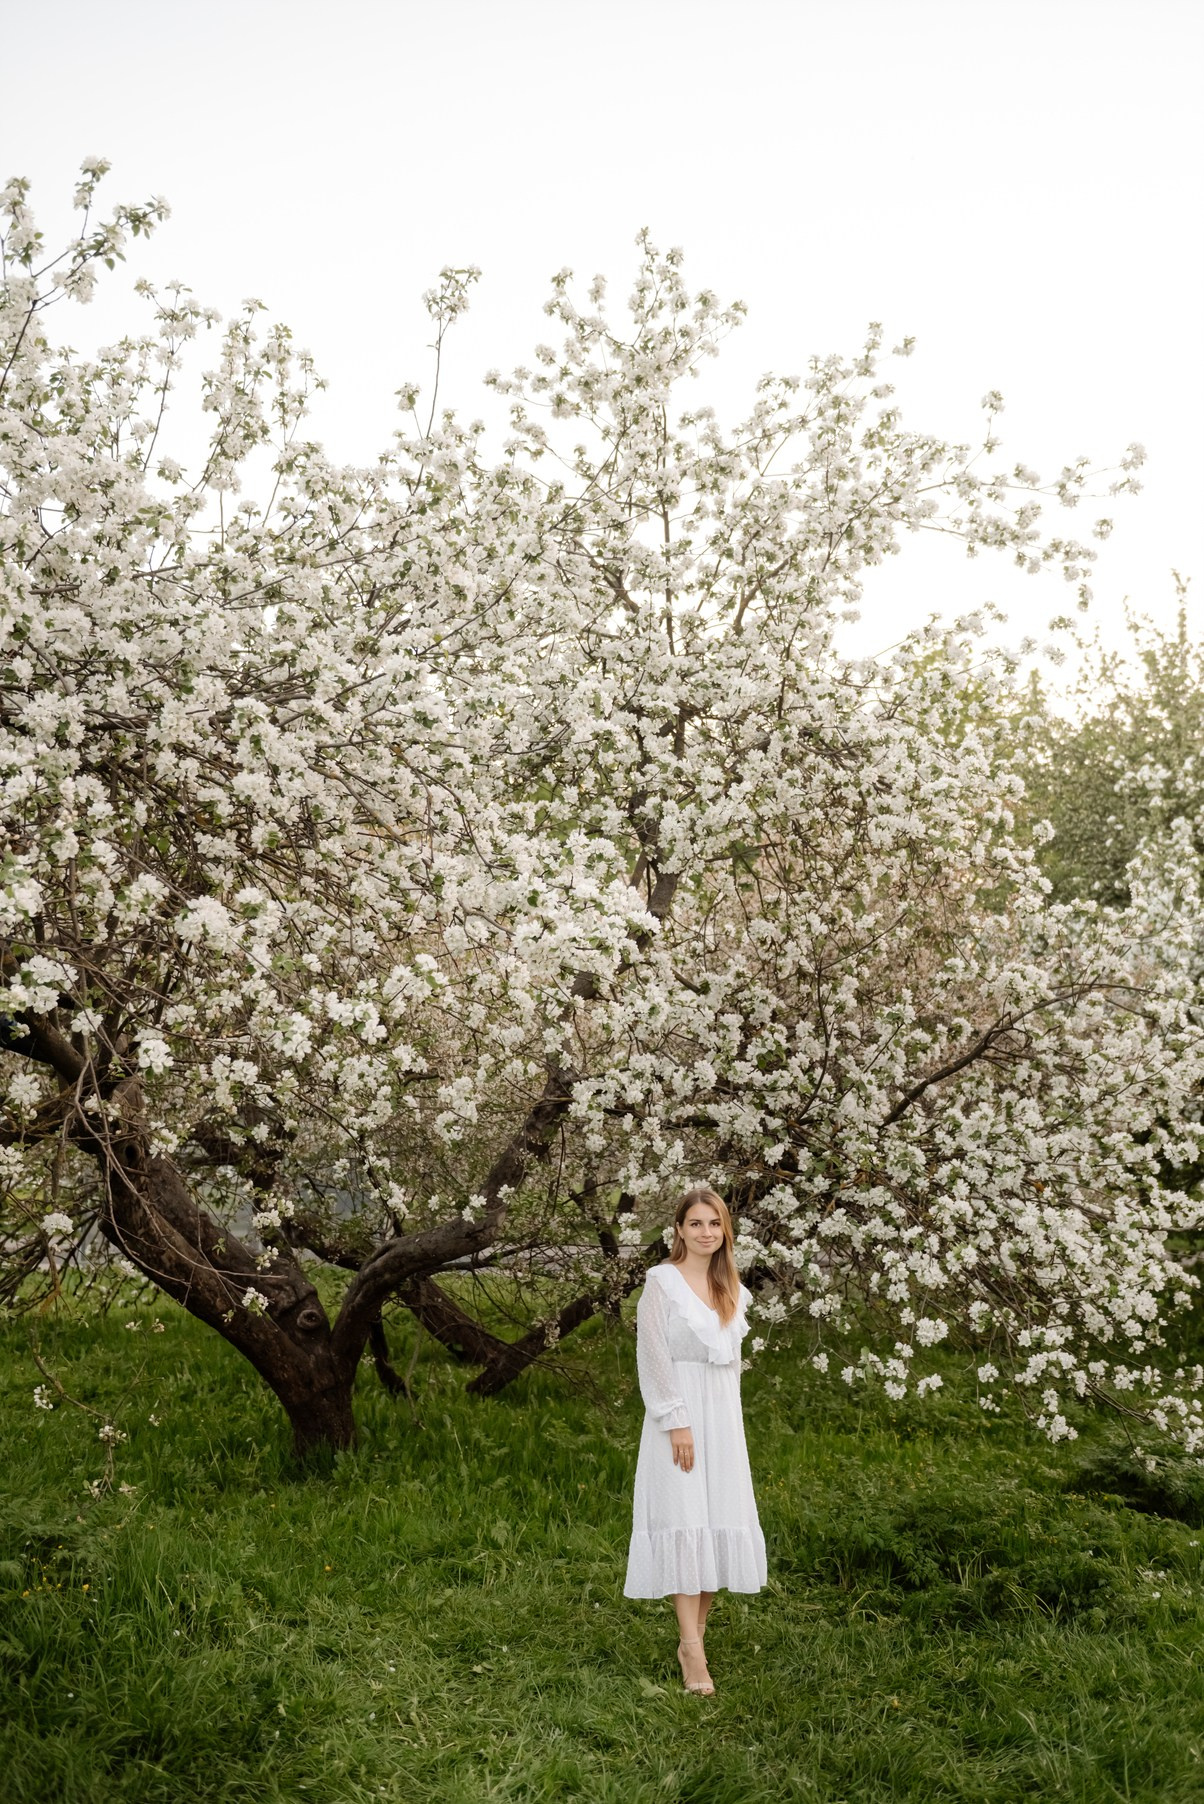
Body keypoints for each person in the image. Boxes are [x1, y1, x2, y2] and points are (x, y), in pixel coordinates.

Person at [624, 1185, 767, 1695]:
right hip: (679, 1416)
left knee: (715, 1523)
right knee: (685, 1521)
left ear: (724, 1230)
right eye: (696, 1224)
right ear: (679, 1230)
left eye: (714, 1224)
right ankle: (692, 1652)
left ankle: (695, 1639)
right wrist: (675, 1420)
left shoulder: (733, 1288)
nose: (706, 1232)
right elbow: (654, 1356)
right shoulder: (662, 1283)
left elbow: (730, 1369)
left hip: (722, 1420)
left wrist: (729, 1427)